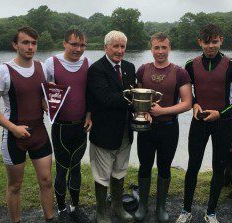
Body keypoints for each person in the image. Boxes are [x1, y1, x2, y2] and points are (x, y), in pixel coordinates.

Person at [176, 24, 232, 223]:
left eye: (215, 42)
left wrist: (221, 113)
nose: (211, 46)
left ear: (221, 41)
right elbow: (183, 93)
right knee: (193, 166)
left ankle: (211, 212)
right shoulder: (190, 65)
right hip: (198, 123)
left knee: (218, 168)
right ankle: (186, 210)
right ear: (200, 42)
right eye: (207, 42)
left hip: (223, 124)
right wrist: (194, 104)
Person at [0, 27, 55, 223]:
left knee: (47, 181)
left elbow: (42, 95)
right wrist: (13, 128)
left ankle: (49, 218)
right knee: (15, 186)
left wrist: (45, 103)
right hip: (14, 137)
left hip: (39, 133)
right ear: (15, 45)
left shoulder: (43, 68)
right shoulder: (3, 71)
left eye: (33, 43)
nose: (30, 47)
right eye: (25, 42)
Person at [134, 32, 192, 223]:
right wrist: (146, 112)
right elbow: (137, 99)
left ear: (170, 48)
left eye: (164, 47)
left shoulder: (180, 72)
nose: (160, 51)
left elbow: (187, 103)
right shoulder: (142, 70)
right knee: (144, 165)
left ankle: (161, 207)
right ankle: (143, 205)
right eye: (156, 47)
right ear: (151, 49)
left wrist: (163, 111)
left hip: (169, 127)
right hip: (146, 128)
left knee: (164, 166)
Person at [86, 30, 136, 223]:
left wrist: (142, 106)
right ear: (106, 47)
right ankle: (101, 212)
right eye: (115, 46)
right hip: (104, 131)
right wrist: (132, 96)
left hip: (125, 130)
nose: (119, 50)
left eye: (123, 46)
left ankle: (117, 205)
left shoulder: (130, 67)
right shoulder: (96, 69)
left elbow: (131, 98)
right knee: (102, 174)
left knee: (120, 169)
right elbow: (105, 98)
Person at [44, 29, 92, 223]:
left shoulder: (88, 63)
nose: (78, 49)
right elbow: (42, 91)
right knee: (63, 168)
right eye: (74, 44)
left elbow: (90, 93)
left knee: (76, 168)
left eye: (82, 45)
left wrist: (89, 115)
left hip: (81, 126)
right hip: (61, 127)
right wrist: (45, 105)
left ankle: (74, 207)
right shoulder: (51, 63)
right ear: (64, 43)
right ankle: (62, 209)